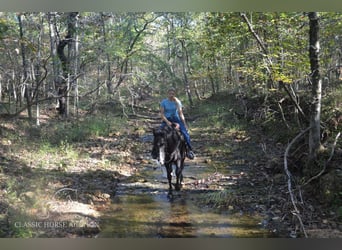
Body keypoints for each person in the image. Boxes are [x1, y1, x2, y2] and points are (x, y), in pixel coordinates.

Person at [159, 87, 195, 159]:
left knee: (185, 133)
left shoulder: (177, 102)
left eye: (172, 93)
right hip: (167, 119)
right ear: (167, 94)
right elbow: (162, 114)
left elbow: (180, 113)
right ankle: (158, 152)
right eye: (170, 93)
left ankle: (189, 150)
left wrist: (184, 124)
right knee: (159, 133)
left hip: (176, 119)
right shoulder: (164, 102)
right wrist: (167, 122)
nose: (171, 95)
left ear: (174, 94)